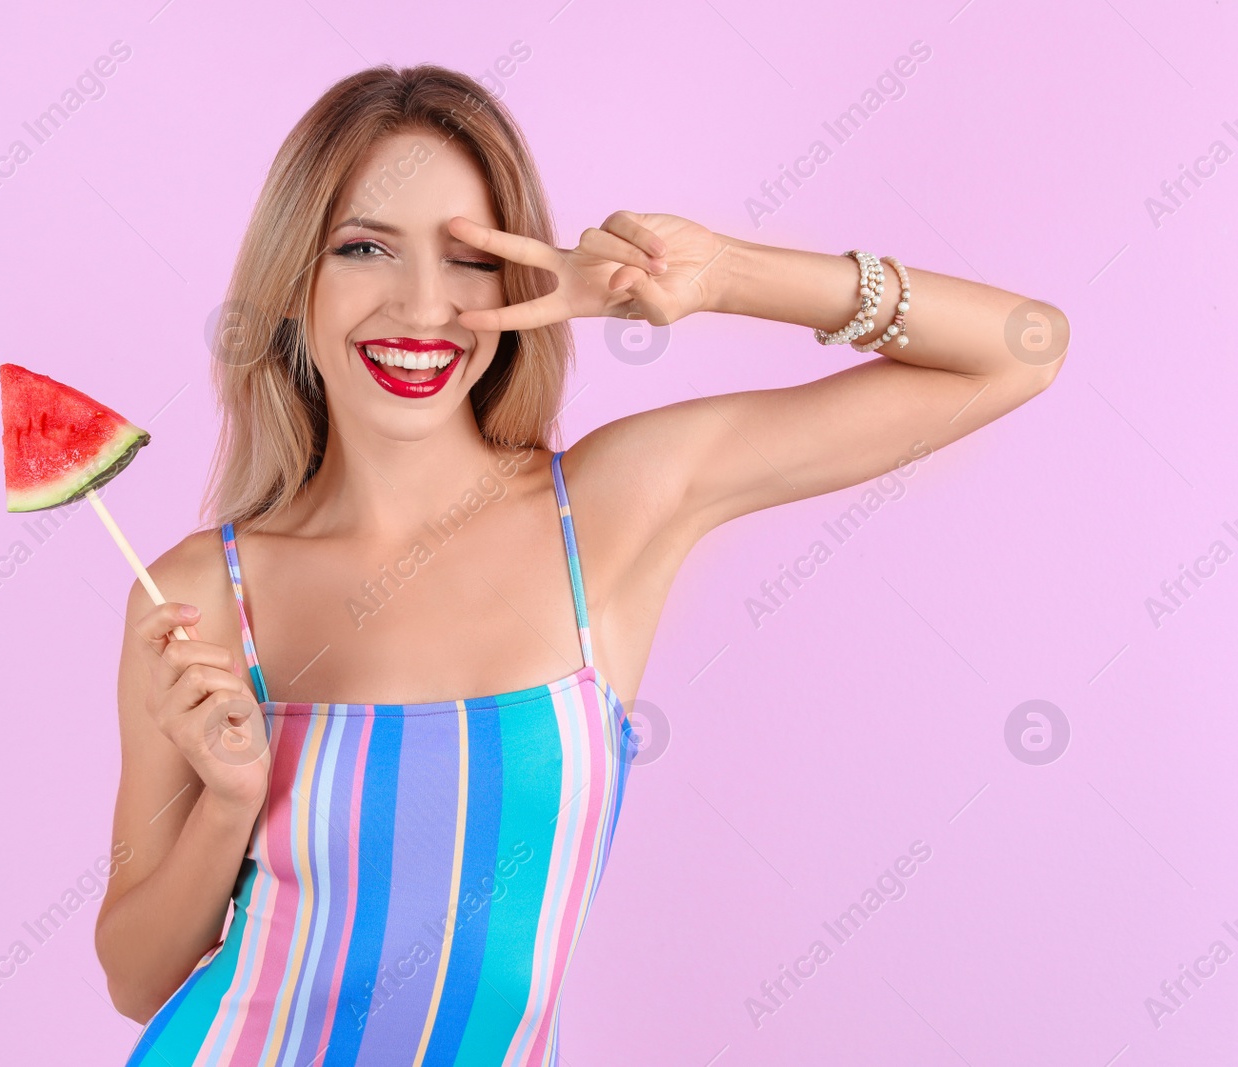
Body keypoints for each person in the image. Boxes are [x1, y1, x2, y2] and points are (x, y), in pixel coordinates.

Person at [94, 63, 1068, 1065]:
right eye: (363, 247)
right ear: (294, 278)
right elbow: (135, 976)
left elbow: (1020, 350)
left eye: (468, 258)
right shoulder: (200, 593)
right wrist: (227, 799)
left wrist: (722, 274)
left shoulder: (605, 510)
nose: (422, 305)